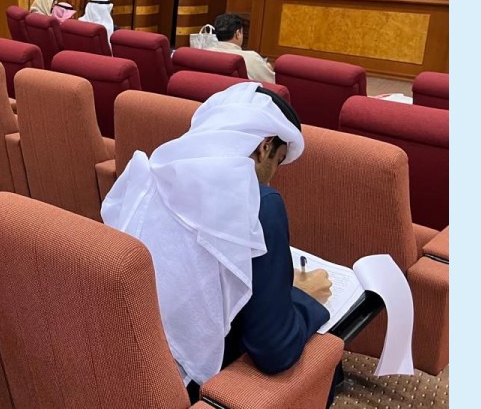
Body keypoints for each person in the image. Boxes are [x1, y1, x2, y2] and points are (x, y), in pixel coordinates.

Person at [101, 82, 336, 405]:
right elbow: (274, 350)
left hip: (120, 353)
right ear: (264, 146)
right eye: (277, 162)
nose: (270, 178)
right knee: (327, 357)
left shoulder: (154, 170)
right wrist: (307, 298)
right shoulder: (260, 204)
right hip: (182, 383)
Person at [204, 13, 276, 83]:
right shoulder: (251, 58)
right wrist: (268, 69)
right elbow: (271, 83)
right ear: (238, 34)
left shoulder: (205, 54)